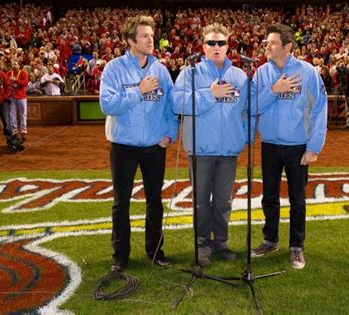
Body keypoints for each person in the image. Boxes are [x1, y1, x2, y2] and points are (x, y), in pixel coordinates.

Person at [99, 15, 178, 273]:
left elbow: (171, 107)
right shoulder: (113, 68)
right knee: (121, 202)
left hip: (155, 146)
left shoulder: (161, 70)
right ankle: (120, 256)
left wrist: (169, 134)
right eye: (144, 35)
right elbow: (107, 105)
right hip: (123, 146)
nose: (150, 39)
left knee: (155, 200)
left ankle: (155, 251)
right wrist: (138, 91)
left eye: (151, 35)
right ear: (131, 40)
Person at [172, 23, 250, 267]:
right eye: (211, 43)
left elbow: (247, 112)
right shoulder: (190, 73)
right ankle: (202, 244)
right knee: (201, 201)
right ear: (203, 47)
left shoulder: (239, 76)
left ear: (228, 46)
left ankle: (221, 242)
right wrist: (210, 94)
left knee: (223, 201)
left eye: (221, 43)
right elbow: (177, 104)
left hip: (229, 152)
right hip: (201, 150)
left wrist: (243, 136)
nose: (216, 47)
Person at [250, 23, 327, 270]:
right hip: (270, 144)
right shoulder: (261, 73)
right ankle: (270, 239)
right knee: (269, 196)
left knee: (297, 199)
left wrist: (314, 147)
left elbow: (319, 109)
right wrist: (274, 90)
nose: (267, 46)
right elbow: (251, 107)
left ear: (287, 46)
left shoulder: (308, 72)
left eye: (272, 43)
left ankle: (296, 247)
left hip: (298, 147)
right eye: (266, 42)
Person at [7, 60, 29, 139]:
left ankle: (23, 129)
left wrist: (16, 80)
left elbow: (25, 83)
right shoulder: (9, 73)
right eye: (12, 64)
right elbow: (6, 84)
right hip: (12, 96)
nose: (14, 66)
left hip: (21, 97)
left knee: (23, 114)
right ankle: (14, 130)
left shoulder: (23, 73)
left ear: (19, 66)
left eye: (15, 64)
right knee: (12, 114)